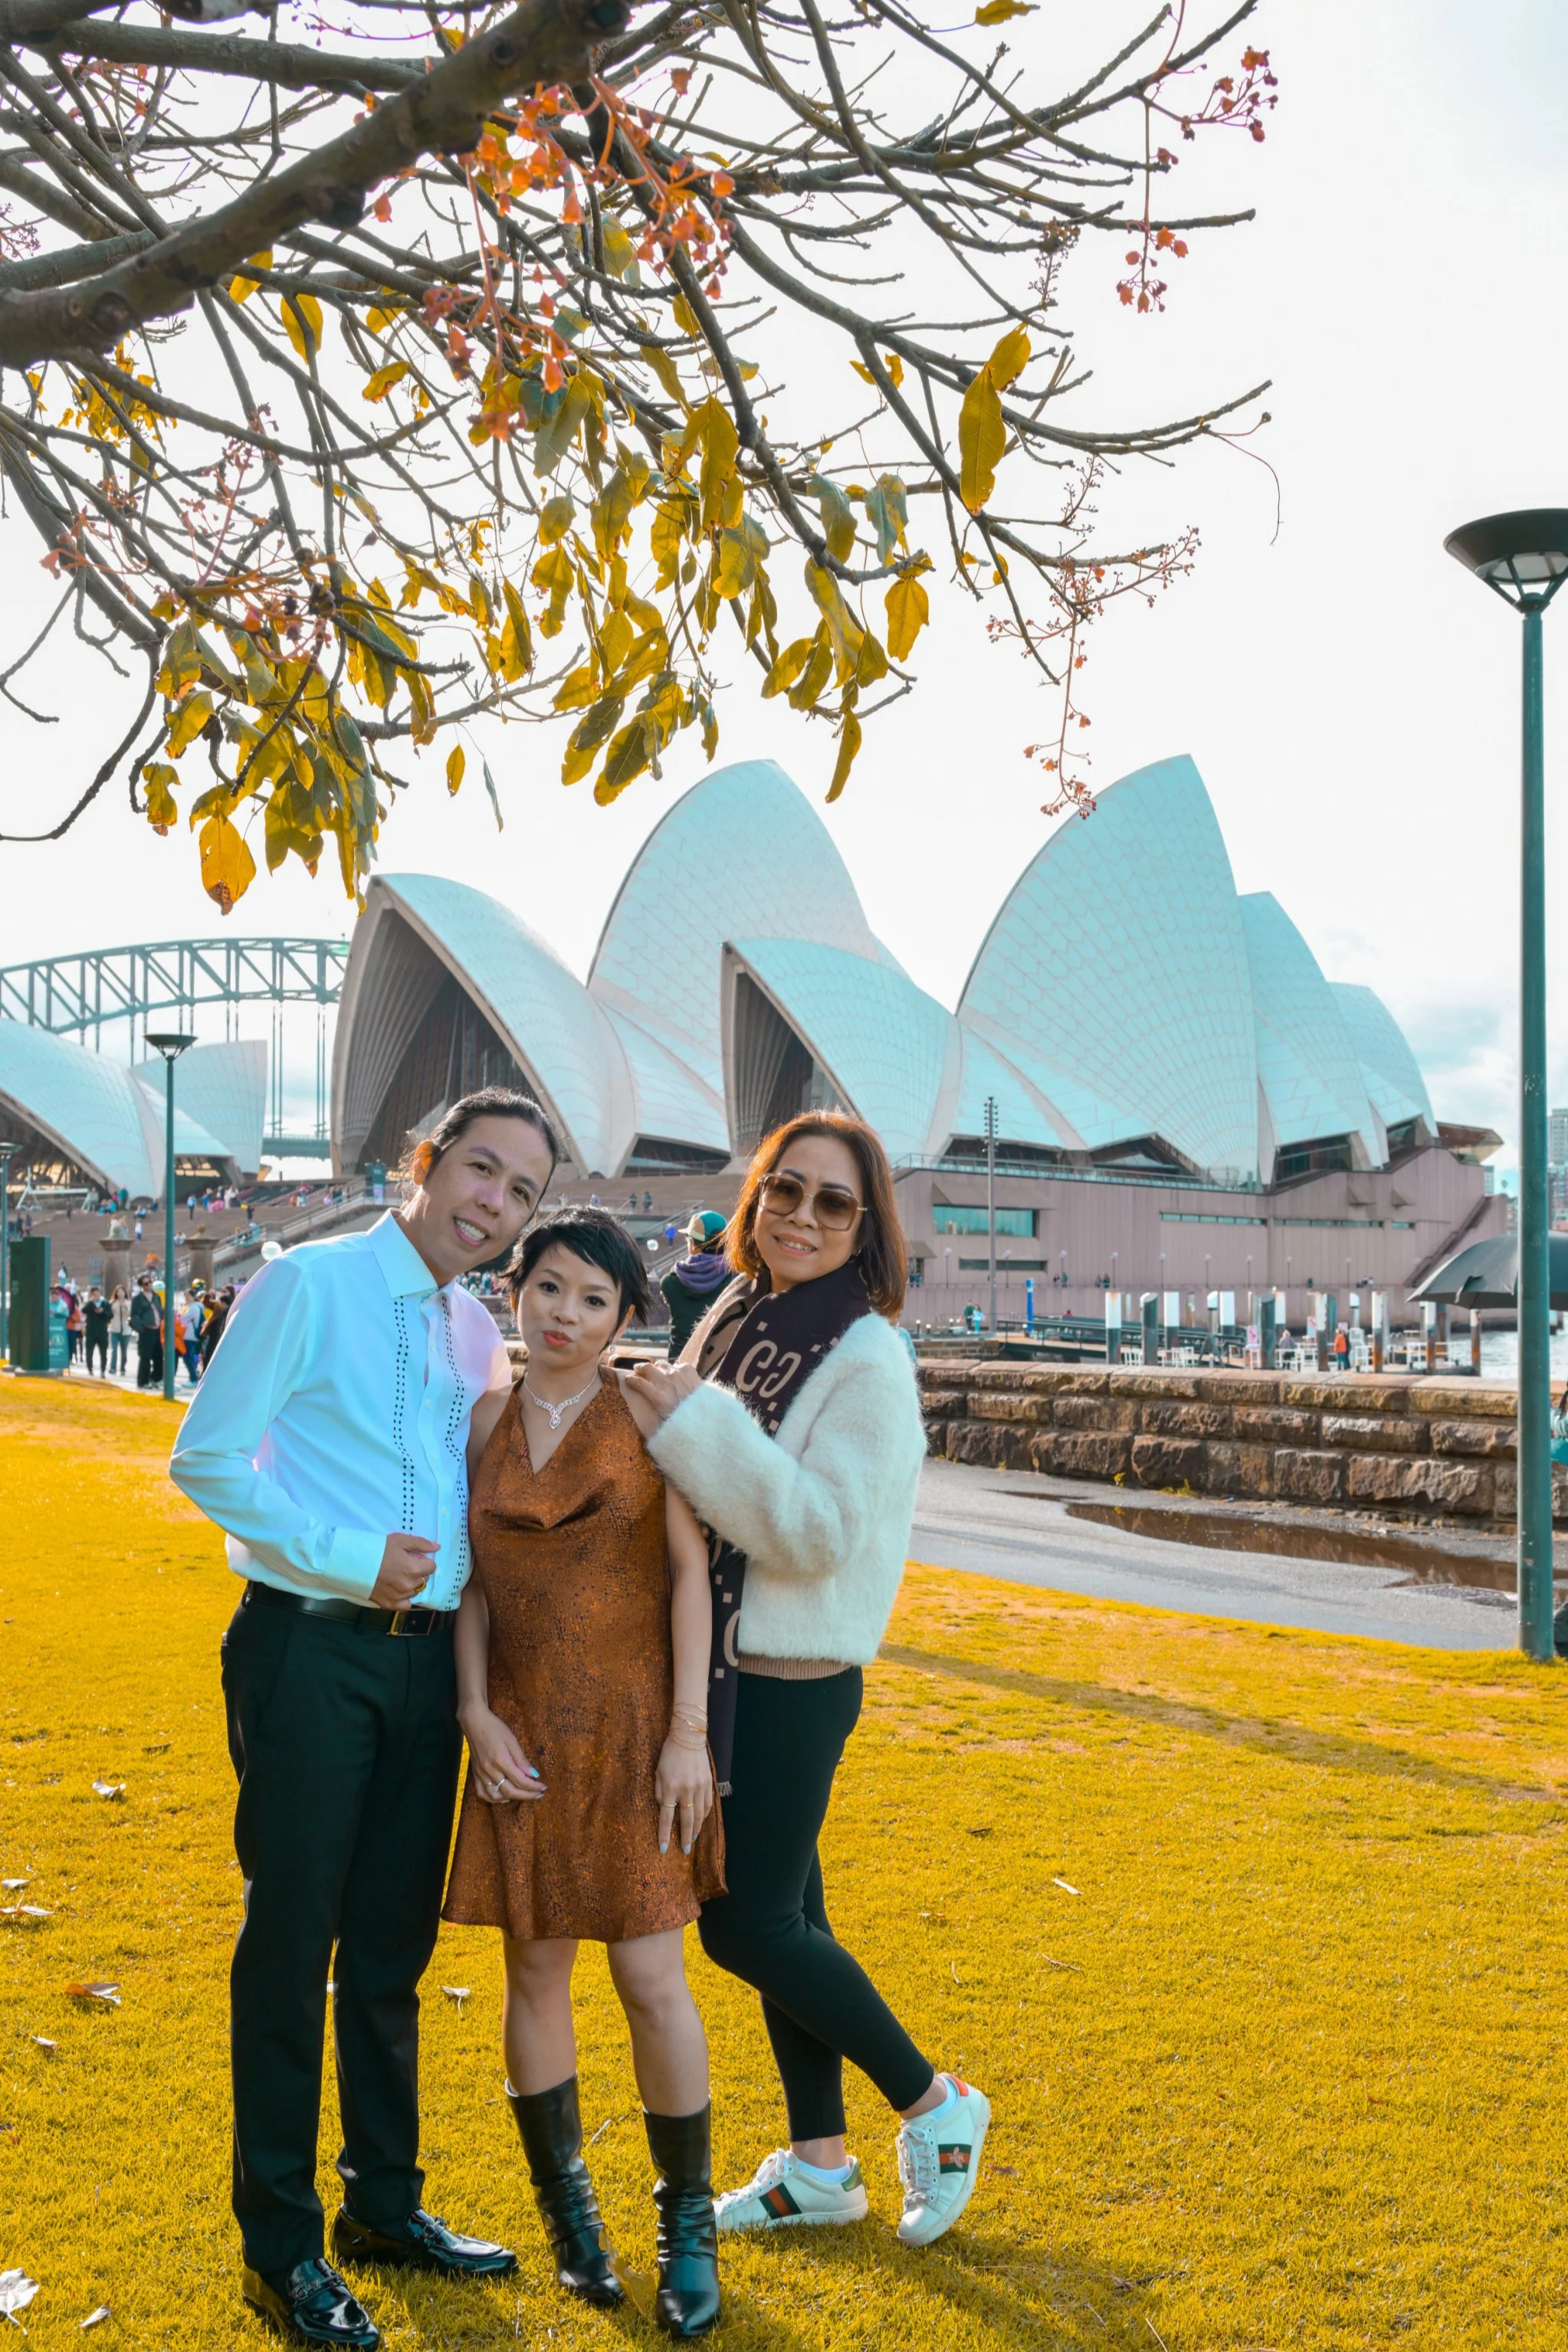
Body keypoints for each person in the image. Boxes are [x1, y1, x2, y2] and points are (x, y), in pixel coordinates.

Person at [169, 1087, 558, 2351]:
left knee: (389, 1947)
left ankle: (382, 2207)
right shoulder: (304, 1283)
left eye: (521, 1190)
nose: (493, 1201)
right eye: (479, 1169)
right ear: (422, 1163)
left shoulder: (470, 1327)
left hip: (422, 1667)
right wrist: (343, 1553)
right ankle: (280, 2243)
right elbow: (207, 1458)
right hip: (308, 1651)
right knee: (291, 1947)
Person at [625, 1113, 989, 2251]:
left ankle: (936, 2103)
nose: (801, 1215)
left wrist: (690, 1420)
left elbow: (817, 1531)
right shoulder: (741, 1310)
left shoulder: (867, 1355)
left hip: (786, 1673)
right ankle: (819, 2167)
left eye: (834, 1202)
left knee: (745, 1930)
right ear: (754, 1198)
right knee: (796, 1917)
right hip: (729, 1664)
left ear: (865, 1226)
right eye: (785, 1189)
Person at [444, 1208, 723, 2338]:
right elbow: (471, 1584)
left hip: (638, 1726)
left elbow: (689, 1579)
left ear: (623, 1316)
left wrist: (689, 1733)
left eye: (592, 1299)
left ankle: (686, 2227)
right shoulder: (486, 1417)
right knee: (535, 1965)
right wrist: (471, 1710)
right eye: (548, 1288)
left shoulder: (647, 1412)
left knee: (653, 1975)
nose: (564, 1314)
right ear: (517, 1288)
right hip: (519, 1732)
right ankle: (571, 2224)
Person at [659, 1212, 730, 1360]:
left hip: (678, 1363)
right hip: (716, 1366)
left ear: (693, 1244)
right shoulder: (736, 1279)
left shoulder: (669, 1283)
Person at [130, 1271, 162, 1389]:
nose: (149, 1285)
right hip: (146, 1331)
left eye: (150, 1282)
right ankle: (143, 1381)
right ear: (142, 1286)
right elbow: (134, 1316)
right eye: (146, 1283)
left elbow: (160, 1311)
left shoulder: (156, 1296)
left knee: (159, 1356)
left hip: (157, 1330)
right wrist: (141, 1329)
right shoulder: (138, 1299)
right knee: (145, 1357)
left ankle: (154, 1378)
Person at [201, 1283, 235, 1371]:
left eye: (225, 1291)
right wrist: (209, 1294)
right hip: (214, 1331)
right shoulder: (219, 1302)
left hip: (222, 1333)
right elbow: (206, 1303)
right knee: (208, 1353)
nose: (223, 1293)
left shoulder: (233, 1304)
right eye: (222, 1291)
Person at [83, 1284, 111, 1378]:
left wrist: (102, 1311)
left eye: (97, 1294)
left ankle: (103, 1370)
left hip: (102, 1331)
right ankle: (90, 1369)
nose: (96, 1296)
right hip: (91, 1331)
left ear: (99, 1293)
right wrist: (91, 1304)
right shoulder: (90, 1303)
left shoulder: (105, 1303)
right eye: (94, 1294)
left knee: (103, 1352)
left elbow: (110, 1315)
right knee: (89, 1351)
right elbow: (84, 1310)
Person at [108, 1284, 133, 1378]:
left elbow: (131, 1314)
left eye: (122, 1291)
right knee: (114, 1350)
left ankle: (122, 1368)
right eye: (118, 1292)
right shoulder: (113, 1303)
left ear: (125, 1293)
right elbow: (109, 1314)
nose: (120, 1293)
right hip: (114, 1329)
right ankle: (113, 1368)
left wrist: (126, 1308)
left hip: (126, 1330)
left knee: (124, 1351)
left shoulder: (128, 1303)